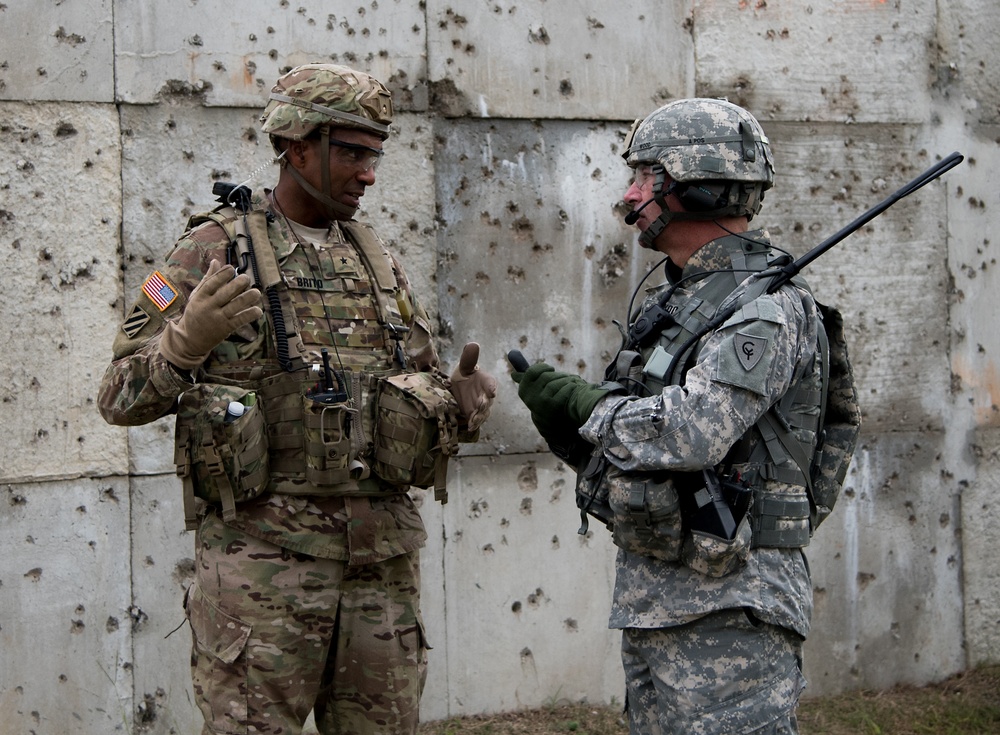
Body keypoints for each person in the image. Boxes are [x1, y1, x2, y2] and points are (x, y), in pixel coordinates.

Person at [98, 63, 497, 735]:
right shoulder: (208, 251)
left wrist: (457, 396)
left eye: (374, 154)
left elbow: (412, 376)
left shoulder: (376, 259)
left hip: (380, 573)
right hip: (263, 578)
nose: (368, 172)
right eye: (351, 152)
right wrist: (182, 345)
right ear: (296, 146)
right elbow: (117, 396)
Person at [511, 98, 858, 734]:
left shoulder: (766, 310)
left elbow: (692, 430)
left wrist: (589, 408)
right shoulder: (683, 301)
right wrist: (571, 429)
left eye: (646, 176)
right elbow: (644, 442)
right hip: (661, 595)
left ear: (695, 185)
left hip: (730, 605)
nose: (629, 194)